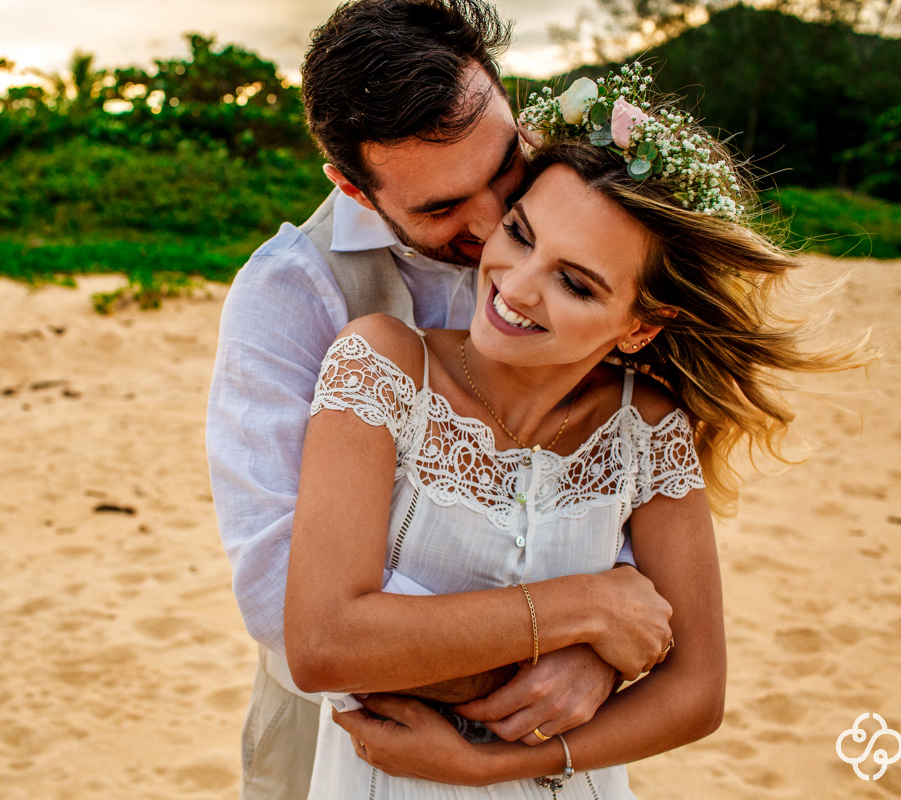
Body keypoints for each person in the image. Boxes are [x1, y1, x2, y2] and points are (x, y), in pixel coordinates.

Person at [284, 65, 878, 797]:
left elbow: (699, 690)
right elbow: (322, 644)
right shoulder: (382, 364)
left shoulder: (648, 427)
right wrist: (585, 608)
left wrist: (493, 764)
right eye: (520, 233)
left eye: (576, 282)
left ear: (640, 327)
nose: (517, 283)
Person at [205, 2, 673, 797]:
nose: (492, 224)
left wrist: (600, 656)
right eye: (441, 208)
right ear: (354, 188)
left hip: (558, 739)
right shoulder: (288, 296)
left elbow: (633, 476)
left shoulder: (590, 223)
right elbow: (284, 608)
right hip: (344, 740)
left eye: (501, 168)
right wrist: (579, 623)